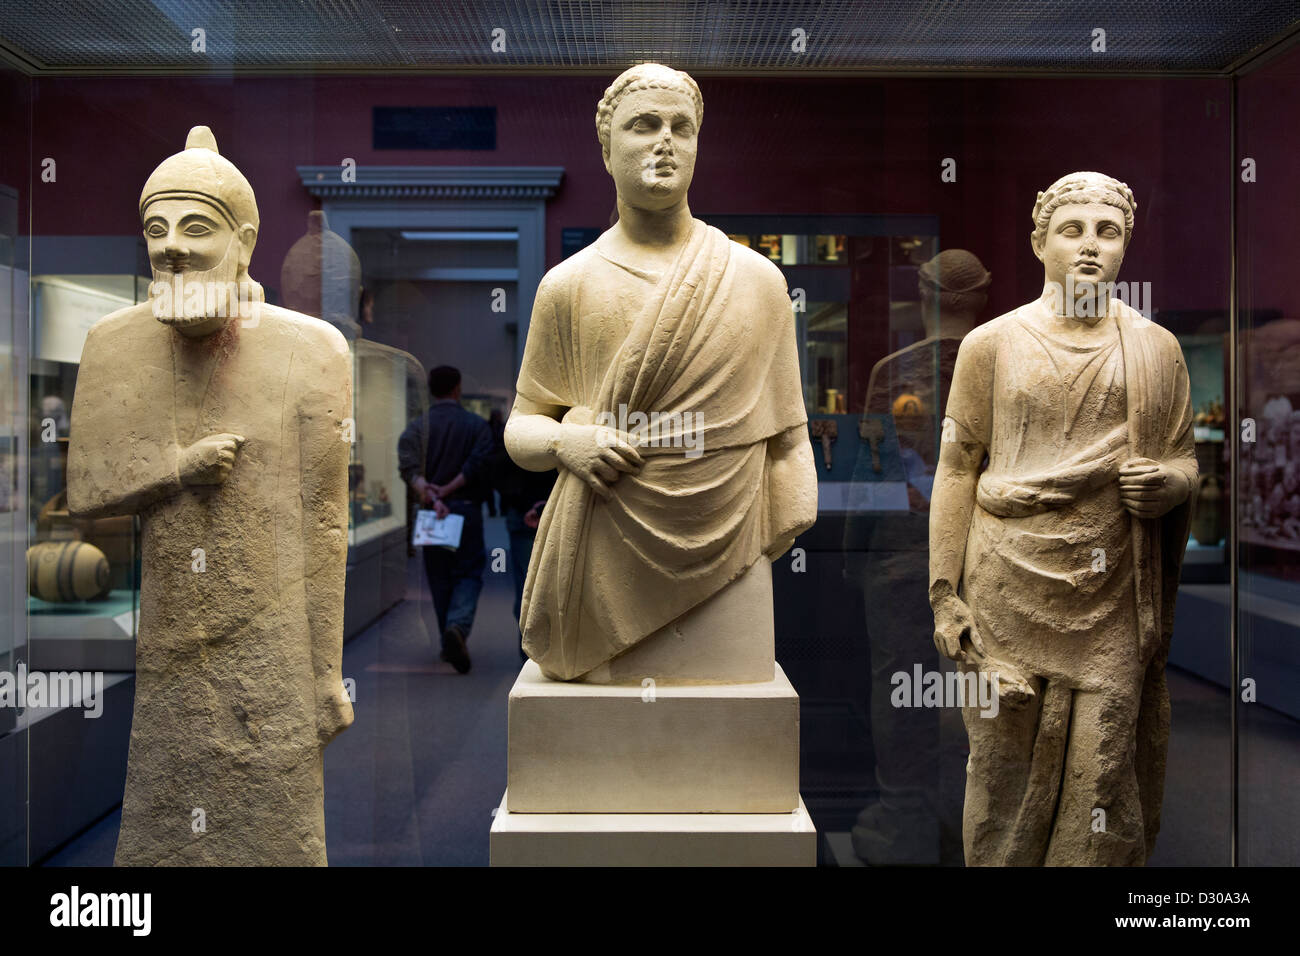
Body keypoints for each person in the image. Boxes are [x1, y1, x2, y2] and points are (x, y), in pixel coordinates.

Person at [503, 63, 817, 681]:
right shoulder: (567, 286)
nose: (665, 141)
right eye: (643, 125)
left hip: (732, 536)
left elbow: (790, 434)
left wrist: (791, 515)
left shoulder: (757, 281)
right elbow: (522, 427)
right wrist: (566, 441)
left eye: (682, 127)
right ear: (607, 147)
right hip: (607, 535)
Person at [929, 172, 1197, 865]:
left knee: (1103, 774)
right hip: (1007, 583)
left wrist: (1166, 485)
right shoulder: (989, 344)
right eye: (1071, 230)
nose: (1089, 247)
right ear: (1039, 242)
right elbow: (957, 469)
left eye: (1107, 233)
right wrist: (943, 595)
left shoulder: (1155, 349)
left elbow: (1184, 463)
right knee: (1001, 769)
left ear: (1125, 248)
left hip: (1110, 593)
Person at [398, 365, 494, 674]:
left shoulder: (416, 427)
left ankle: (446, 640)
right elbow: (477, 464)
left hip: (430, 513)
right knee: (468, 572)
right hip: (464, 508)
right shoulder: (476, 425)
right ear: (457, 388)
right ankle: (457, 626)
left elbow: (407, 465)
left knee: (438, 578)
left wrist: (429, 492)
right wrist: (450, 489)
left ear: (431, 390)